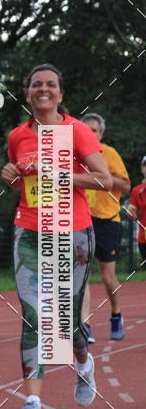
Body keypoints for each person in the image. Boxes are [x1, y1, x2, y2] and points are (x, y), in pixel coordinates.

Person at [1, 64, 112, 409]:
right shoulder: (17, 135)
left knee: (63, 324)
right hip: (29, 231)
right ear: (28, 92)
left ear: (60, 94)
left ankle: (82, 360)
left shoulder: (76, 130)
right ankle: (33, 403)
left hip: (73, 232)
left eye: (50, 85)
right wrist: (10, 175)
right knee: (34, 314)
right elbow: (23, 181)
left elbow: (104, 179)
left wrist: (58, 173)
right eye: (36, 85)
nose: (43, 90)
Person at [80, 113, 130, 342]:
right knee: (82, 275)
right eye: (85, 130)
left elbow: (125, 186)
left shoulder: (109, 154)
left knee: (108, 277)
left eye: (94, 131)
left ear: (101, 134)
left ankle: (116, 315)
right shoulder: (75, 154)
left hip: (108, 220)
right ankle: (86, 325)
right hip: (81, 219)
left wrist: (102, 177)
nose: (90, 134)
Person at [128, 156, 146, 266]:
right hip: (143, 237)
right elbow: (132, 210)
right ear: (142, 169)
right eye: (145, 165)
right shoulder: (136, 190)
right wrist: (131, 213)